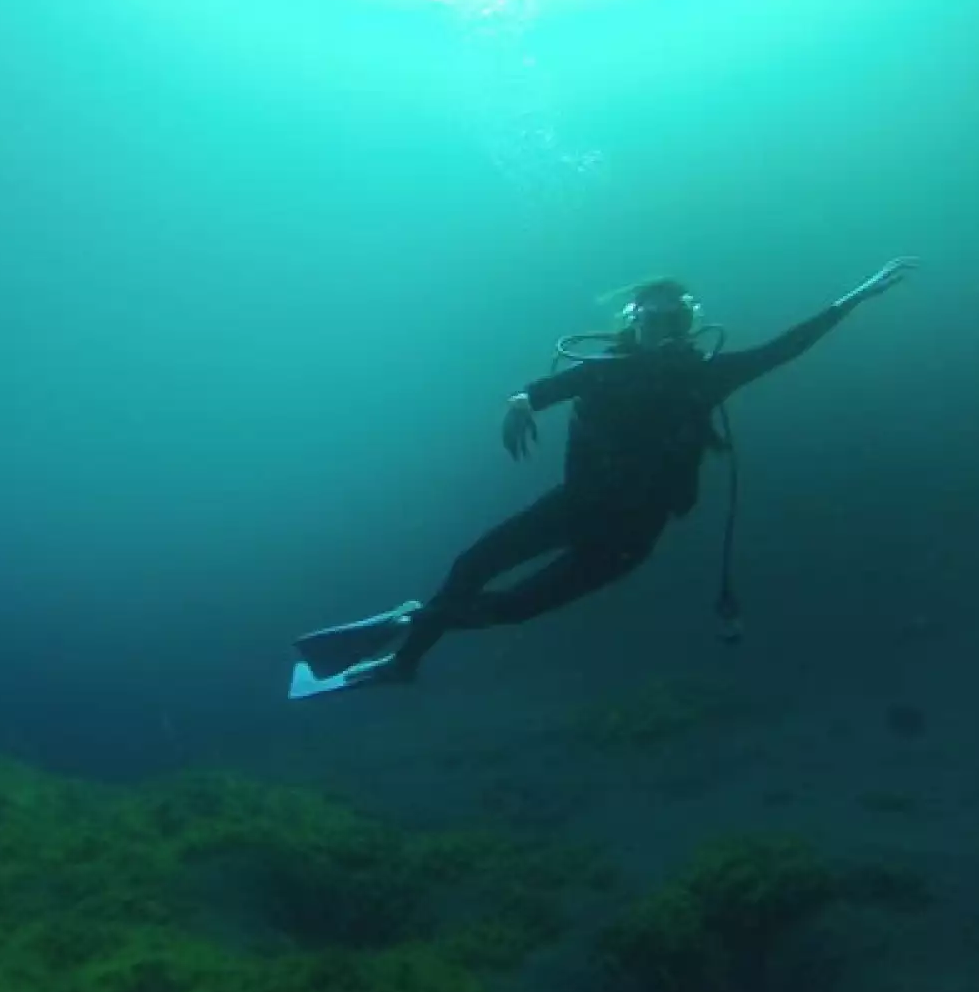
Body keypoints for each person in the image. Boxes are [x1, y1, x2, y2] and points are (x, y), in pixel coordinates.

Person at [289, 257, 919, 699]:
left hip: (626, 538)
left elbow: (785, 347)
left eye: (674, 320)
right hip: (573, 506)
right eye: (651, 319)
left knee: (510, 608)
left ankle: (416, 622)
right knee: (471, 563)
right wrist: (517, 402)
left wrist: (854, 298)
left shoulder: (707, 376)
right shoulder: (603, 371)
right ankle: (406, 657)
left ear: (688, 324)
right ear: (632, 323)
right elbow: (542, 389)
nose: (662, 329)